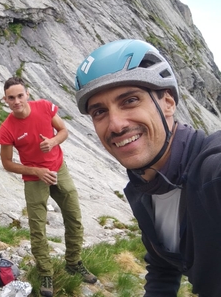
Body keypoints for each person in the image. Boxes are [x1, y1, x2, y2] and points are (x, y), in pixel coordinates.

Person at [74, 39, 221, 296]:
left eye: (130, 100)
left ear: (168, 103)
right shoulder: (142, 191)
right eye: (99, 112)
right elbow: (163, 266)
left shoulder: (212, 172)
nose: (116, 125)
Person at [0, 77, 97, 297]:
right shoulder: (7, 128)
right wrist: (36, 171)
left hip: (58, 168)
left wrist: (53, 142)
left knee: (74, 216)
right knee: (37, 228)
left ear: (27, 94)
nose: (16, 101)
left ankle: (73, 262)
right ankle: (45, 273)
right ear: (5, 100)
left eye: (20, 96)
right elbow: (6, 163)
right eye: (11, 98)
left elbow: (63, 131)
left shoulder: (43, 107)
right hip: (34, 179)